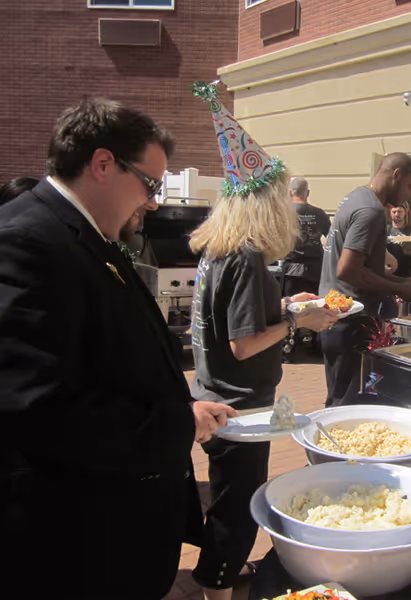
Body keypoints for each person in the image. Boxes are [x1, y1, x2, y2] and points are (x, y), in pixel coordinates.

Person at [0, 98, 231, 598]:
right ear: (103, 164)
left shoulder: (92, 236)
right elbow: (41, 409)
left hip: (121, 524)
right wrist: (176, 424)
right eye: (150, 185)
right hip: (82, 544)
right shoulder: (26, 242)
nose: (153, 202)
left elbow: (110, 360)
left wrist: (183, 405)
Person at [189, 82, 339, 600]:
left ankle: (220, 575)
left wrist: (283, 307)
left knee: (229, 497)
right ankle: (217, 584)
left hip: (212, 393)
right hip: (239, 404)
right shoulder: (249, 257)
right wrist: (300, 324)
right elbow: (244, 344)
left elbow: (226, 318)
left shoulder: (217, 249)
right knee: (235, 506)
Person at [319, 152, 411, 406]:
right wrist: (398, 287)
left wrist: (393, 279)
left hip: (333, 315)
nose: (408, 195)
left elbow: (357, 264)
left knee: (337, 395)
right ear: (396, 175)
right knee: (347, 403)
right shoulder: (371, 210)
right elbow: (348, 270)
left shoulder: (354, 197)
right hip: (351, 321)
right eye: (409, 186)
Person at [282, 177, 331, 297]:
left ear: (290, 192)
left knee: (292, 308)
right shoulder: (319, 213)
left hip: (292, 270)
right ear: (307, 193)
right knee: (314, 304)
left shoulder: (284, 214)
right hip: (316, 270)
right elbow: (331, 238)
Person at [386, 202, 411, 278]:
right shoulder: (385, 230)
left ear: (405, 213)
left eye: (399, 212)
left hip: (408, 272)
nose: (396, 214)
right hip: (390, 272)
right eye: (394, 212)